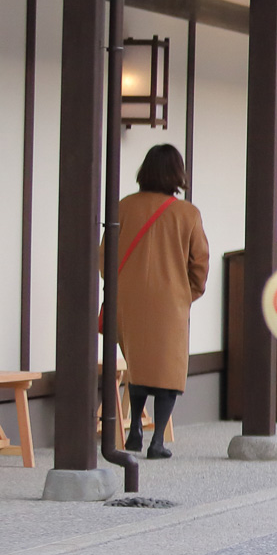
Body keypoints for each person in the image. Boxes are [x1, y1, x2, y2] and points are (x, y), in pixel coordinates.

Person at [104, 144, 209, 460]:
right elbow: (199, 264)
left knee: (138, 365)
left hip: (129, 301)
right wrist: (187, 294)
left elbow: (104, 255)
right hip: (171, 302)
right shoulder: (187, 213)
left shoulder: (123, 207)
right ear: (177, 173)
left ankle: (134, 429)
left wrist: (121, 286)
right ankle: (157, 440)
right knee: (168, 371)